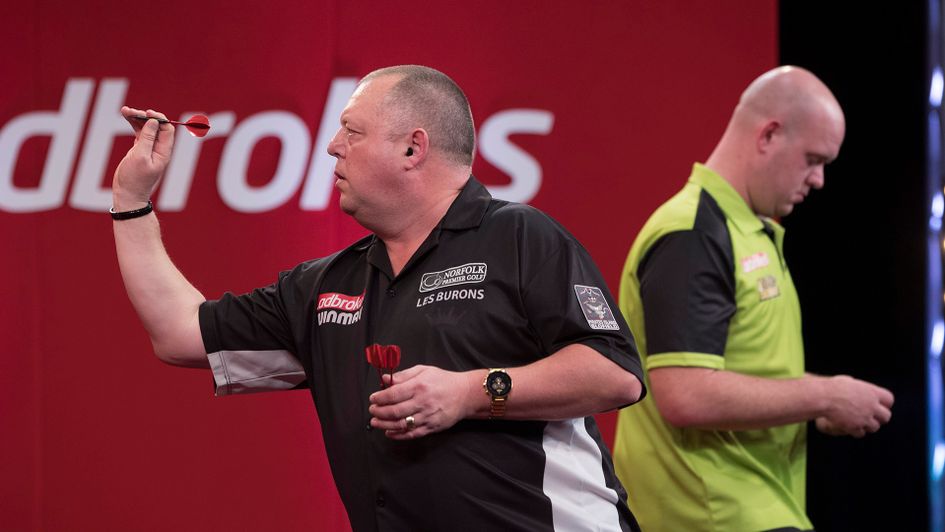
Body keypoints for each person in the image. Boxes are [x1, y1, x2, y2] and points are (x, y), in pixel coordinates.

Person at [111, 65, 646, 532]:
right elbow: (179, 333)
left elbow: (615, 373)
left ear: (413, 148)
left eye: (351, 130)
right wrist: (131, 199)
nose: (332, 146)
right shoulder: (326, 285)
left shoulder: (519, 236)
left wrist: (470, 392)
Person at [610, 66, 894, 532]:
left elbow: (747, 369)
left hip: (753, 506)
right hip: (711, 515)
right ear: (769, 135)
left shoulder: (745, 230)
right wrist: (825, 396)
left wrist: (823, 404)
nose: (819, 179)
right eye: (813, 159)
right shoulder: (694, 233)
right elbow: (686, 393)